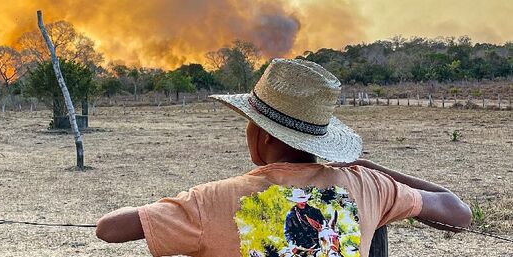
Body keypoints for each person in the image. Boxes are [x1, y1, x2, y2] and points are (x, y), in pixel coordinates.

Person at [95, 58, 471, 257]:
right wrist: (368, 169)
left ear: (258, 134)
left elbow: (109, 229)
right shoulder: (368, 187)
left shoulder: (212, 200)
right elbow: (456, 212)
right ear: (322, 139)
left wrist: (182, 208)